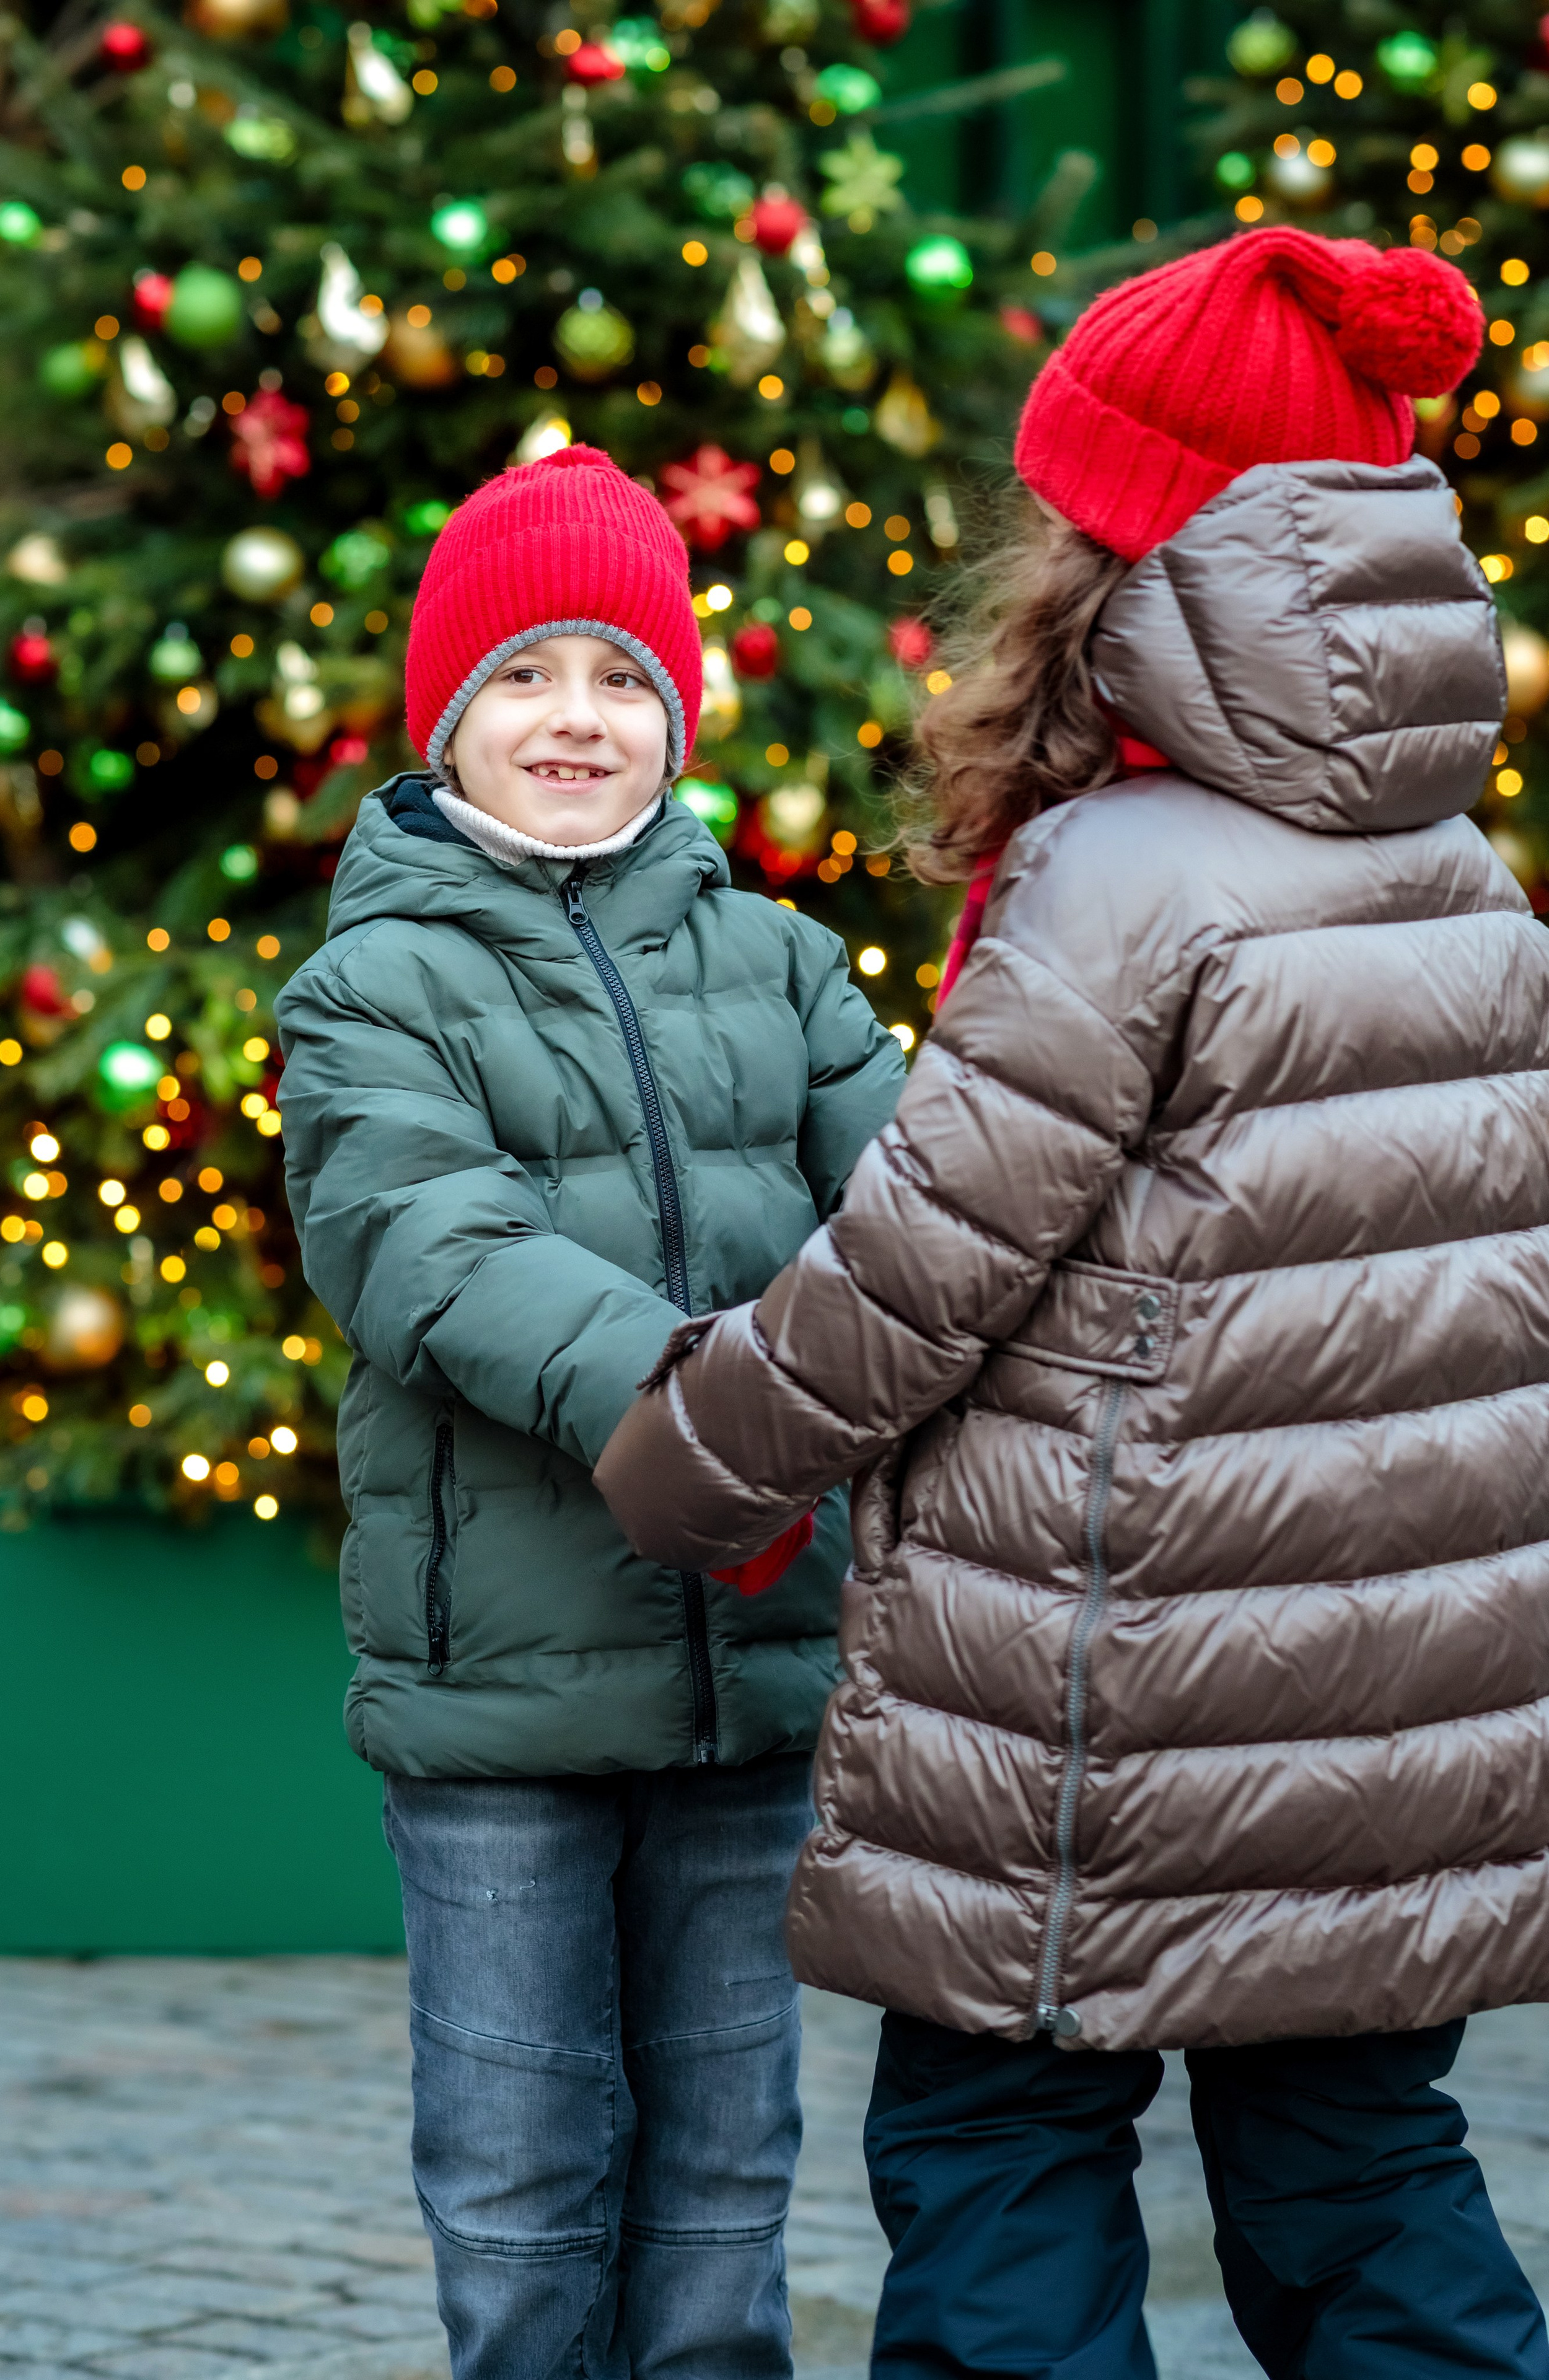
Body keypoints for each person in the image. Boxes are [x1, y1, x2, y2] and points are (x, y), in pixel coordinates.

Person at [593, 229, 1549, 2376]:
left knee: (1004, 2151)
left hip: (1106, 1699)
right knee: (1365, 2172)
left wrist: (688, 1450)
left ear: (1133, 553)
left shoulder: (1122, 880)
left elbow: (926, 1269)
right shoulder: (1467, 873)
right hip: (1398, 1705)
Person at [274, 443, 904, 2380]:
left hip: (751, 1669)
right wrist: (701, 1403)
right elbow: (433, 1249)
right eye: (530, 673)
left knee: (726, 2178)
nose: (579, 716)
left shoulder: (783, 963)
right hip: (505, 1699)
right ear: (450, 714)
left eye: (625, 676)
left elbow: (917, 1210)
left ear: (679, 719)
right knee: (523, 2172)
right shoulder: (370, 988)